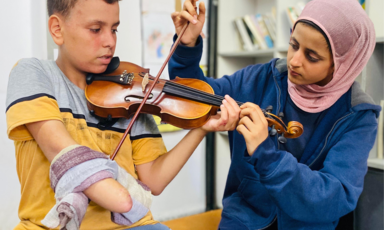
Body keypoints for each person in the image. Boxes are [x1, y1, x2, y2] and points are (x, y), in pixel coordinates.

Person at [5, 0, 240, 229]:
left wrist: (202, 128)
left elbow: (154, 181)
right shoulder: (33, 73)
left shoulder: (129, 94)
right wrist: (119, 196)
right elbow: (60, 149)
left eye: (114, 29)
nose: (109, 41)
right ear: (57, 29)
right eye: (96, 29)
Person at [169, 0, 381, 229]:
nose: (294, 61)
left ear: (342, 64)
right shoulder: (263, 77)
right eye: (293, 44)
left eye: (312, 56)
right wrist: (186, 49)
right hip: (242, 222)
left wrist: (267, 155)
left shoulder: (358, 116)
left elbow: (335, 197)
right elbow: (192, 98)